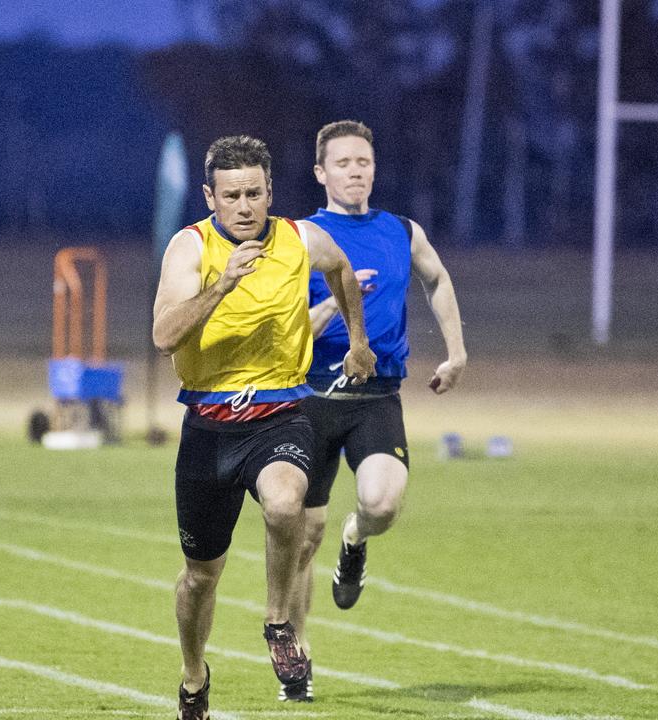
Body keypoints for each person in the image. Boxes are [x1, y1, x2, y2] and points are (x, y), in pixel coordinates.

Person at [152, 134, 377, 720]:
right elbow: (163, 336)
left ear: (271, 192)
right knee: (201, 578)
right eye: (233, 196)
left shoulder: (300, 238)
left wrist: (357, 342)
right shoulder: (190, 248)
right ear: (210, 196)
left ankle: (279, 623)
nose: (246, 206)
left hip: (279, 412)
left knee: (285, 505)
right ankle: (193, 673)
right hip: (208, 425)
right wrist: (223, 283)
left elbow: (343, 272)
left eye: (255, 193)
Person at [275, 119, 467, 702]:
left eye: (363, 162)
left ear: (373, 168)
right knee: (303, 534)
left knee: (381, 504)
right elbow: (285, 335)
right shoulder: (299, 239)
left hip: (377, 396)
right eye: (343, 163)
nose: (355, 171)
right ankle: (297, 659)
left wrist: (456, 352)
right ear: (320, 173)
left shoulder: (402, 231)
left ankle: (355, 542)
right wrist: (339, 301)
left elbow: (437, 280)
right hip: (308, 398)